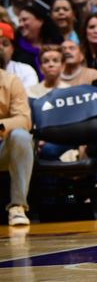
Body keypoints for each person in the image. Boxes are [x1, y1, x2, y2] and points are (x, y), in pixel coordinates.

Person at [0, 52, 33, 226]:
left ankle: (18, 207)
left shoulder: (11, 81)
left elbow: (24, 120)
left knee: (21, 135)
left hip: (3, 148)